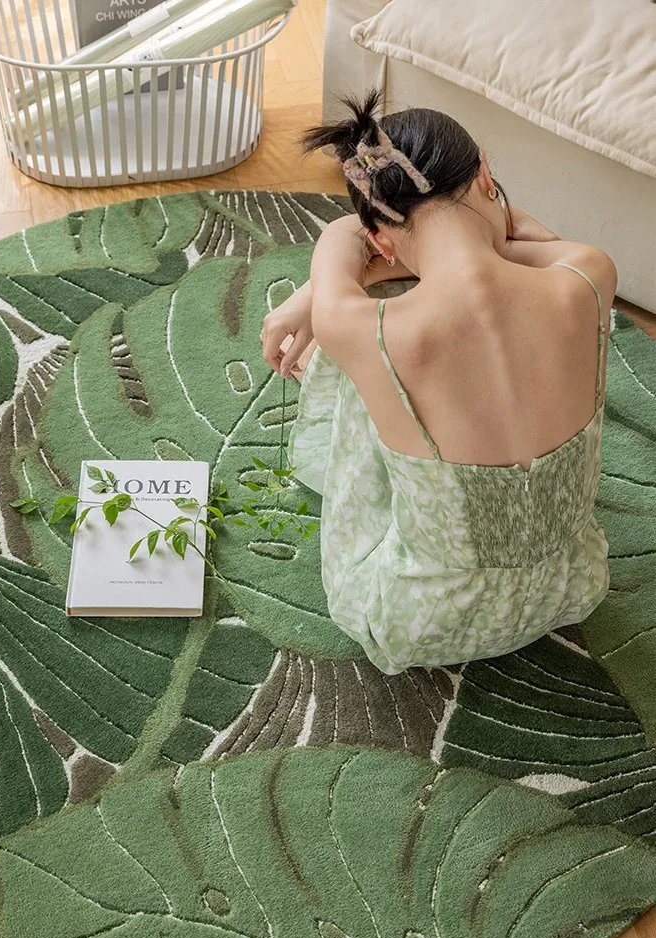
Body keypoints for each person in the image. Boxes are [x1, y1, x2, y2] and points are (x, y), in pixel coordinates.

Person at [260, 91, 617, 674]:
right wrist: (492, 223)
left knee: (373, 332)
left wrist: (318, 291)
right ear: (486, 176)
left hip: (416, 622)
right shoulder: (590, 275)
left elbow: (344, 240)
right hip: (573, 585)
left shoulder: (359, 326)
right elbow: (509, 247)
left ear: (379, 238)